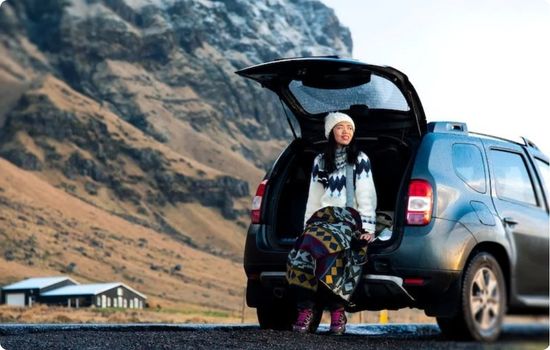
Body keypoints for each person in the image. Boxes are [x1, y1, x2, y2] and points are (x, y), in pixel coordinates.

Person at [286, 111, 377, 335]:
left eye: (350, 128)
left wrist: (368, 229)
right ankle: (306, 309)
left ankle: (337, 310)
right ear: (331, 132)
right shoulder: (320, 161)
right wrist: (307, 226)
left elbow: (367, 195)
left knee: (332, 250)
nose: (346, 132)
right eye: (340, 127)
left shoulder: (360, 159)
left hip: (349, 218)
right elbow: (314, 197)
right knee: (303, 250)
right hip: (323, 217)